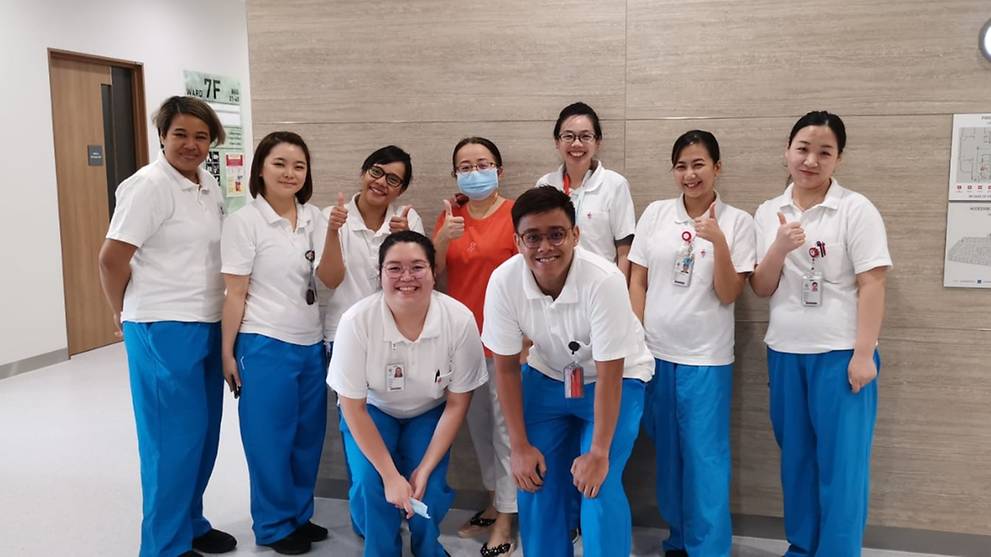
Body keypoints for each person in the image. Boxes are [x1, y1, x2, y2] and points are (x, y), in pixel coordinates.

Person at [481, 186, 654, 557]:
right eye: (533, 237)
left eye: (556, 234)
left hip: (617, 379)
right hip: (548, 376)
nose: (545, 247)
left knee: (598, 485)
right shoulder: (503, 281)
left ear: (576, 234)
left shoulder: (604, 280)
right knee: (534, 480)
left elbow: (610, 374)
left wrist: (598, 452)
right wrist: (520, 447)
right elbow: (507, 369)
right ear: (517, 241)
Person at [98, 96, 236, 557]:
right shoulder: (148, 186)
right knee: (170, 442)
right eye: (180, 134)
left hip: (205, 319)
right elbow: (111, 258)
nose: (191, 145)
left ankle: (191, 523)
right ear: (162, 135)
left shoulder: (206, 183)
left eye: (201, 136)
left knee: (202, 434)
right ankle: (163, 546)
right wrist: (119, 312)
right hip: (161, 325)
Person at [750, 111, 891, 556]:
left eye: (824, 152)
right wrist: (778, 247)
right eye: (803, 149)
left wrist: (864, 354)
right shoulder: (768, 211)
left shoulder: (855, 209)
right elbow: (762, 286)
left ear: (838, 159)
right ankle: (802, 545)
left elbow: (873, 282)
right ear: (787, 151)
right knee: (797, 462)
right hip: (786, 352)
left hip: (841, 354)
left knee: (842, 466)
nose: (811, 160)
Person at [628, 130, 755, 557]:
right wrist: (636, 339)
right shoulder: (656, 215)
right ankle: (678, 540)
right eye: (681, 165)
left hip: (706, 359)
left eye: (698, 164)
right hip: (656, 354)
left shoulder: (738, 222)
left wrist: (717, 241)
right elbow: (638, 280)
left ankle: (709, 548)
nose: (689, 174)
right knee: (668, 456)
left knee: (705, 460)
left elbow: (729, 292)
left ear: (718, 167)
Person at [329, 231, 488, 557]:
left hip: (430, 411)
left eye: (417, 267)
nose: (406, 278)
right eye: (394, 268)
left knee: (425, 487)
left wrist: (425, 467)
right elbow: (353, 408)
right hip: (373, 410)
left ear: (433, 272)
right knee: (371, 484)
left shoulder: (458, 320)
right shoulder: (356, 322)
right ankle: (381, 549)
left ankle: (427, 548)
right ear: (380, 274)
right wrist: (390, 476)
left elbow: (458, 404)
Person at [220, 131, 329, 555]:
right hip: (263, 343)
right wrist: (227, 352)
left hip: (310, 342)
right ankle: (271, 524)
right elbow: (235, 293)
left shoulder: (314, 218)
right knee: (269, 440)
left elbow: (331, 273)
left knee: (306, 437)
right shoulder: (245, 222)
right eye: (279, 163)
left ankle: (298, 515)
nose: (289, 173)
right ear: (260, 169)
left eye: (298, 165)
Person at [432, 137, 518, 556]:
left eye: (482, 164)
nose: (474, 172)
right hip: (465, 342)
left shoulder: (515, 213)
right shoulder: (451, 216)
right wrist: (444, 238)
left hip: (508, 343)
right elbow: (429, 274)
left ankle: (507, 518)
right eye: (465, 166)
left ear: (499, 170)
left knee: (506, 433)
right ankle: (494, 499)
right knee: (479, 432)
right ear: (456, 175)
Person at [535, 102, 636, 279]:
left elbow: (624, 251)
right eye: (568, 136)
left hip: (601, 283)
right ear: (557, 142)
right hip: (556, 283)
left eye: (585, 136)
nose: (576, 144)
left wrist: (618, 289)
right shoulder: (545, 184)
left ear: (597, 142)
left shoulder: (615, 184)